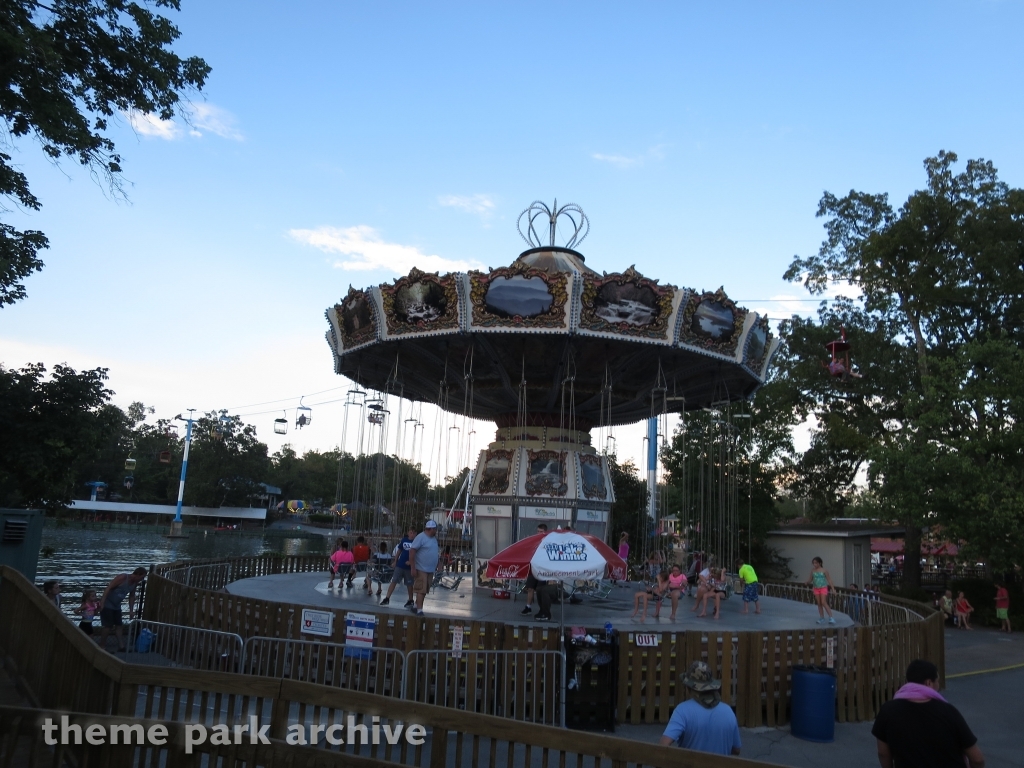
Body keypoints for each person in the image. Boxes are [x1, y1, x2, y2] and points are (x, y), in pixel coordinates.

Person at [872, 659, 984, 768]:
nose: (938, 685)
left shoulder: (888, 711)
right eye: (937, 681)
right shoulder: (948, 712)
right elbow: (977, 759)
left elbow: (883, 753)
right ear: (929, 683)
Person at [660, 661, 741, 756]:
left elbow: (663, 746)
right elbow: (736, 750)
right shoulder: (728, 711)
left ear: (689, 688)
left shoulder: (682, 710)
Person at [96, 568, 146, 653]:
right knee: (107, 626)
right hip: (108, 604)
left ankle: (121, 646)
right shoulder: (122, 577)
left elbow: (132, 596)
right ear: (138, 574)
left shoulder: (134, 583)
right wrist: (102, 602)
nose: (142, 580)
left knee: (119, 625)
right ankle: (102, 645)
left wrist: (131, 610)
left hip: (117, 606)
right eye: (142, 577)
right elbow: (108, 588)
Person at [408, 520, 439, 616]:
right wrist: (413, 567)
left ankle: (416, 606)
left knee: (424, 590)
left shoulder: (433, 538)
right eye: (435, 529)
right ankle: (419, 610)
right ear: (431, 529)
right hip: (421, 568)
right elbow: (412, 551)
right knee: (420, 589)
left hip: (430, 569)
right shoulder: (420, 537)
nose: (436, 531)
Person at [380, 526, 418, 607]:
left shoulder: (417, 542)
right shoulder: (404, 540)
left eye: (414, 533)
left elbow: (418, 554)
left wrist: (412, 562)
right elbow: (399, 551)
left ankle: (411, 600)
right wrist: (395, 561)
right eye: (411, 532)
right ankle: (387, 598)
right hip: (400, 565)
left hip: (409, 567)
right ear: (408, 533)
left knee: (409, 584)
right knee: (394, 581)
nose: (412, 534)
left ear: (416, 534)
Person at [520, 523, 548, 616]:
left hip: (542, 570)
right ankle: (528, 607)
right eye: (538, 531)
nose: (539, 533)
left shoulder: (547, 542)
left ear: (545, 532)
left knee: (540, 590)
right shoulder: (534, 541)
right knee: (530, 588)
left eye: (541, 531)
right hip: (533, 568)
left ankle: (542, 609)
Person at [805, 556, 835, 624]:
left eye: (816, 563)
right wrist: (807, 582)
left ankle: (831, 617)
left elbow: (829, 580)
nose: (814, 564)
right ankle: (821, 617)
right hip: (816, 588)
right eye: (813, 563)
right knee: (819, 603)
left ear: (819, 563)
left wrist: (833, 589)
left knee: (823, 602)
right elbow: (810, 579)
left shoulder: (824, 570)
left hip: (823, 587)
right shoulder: (813, 570)